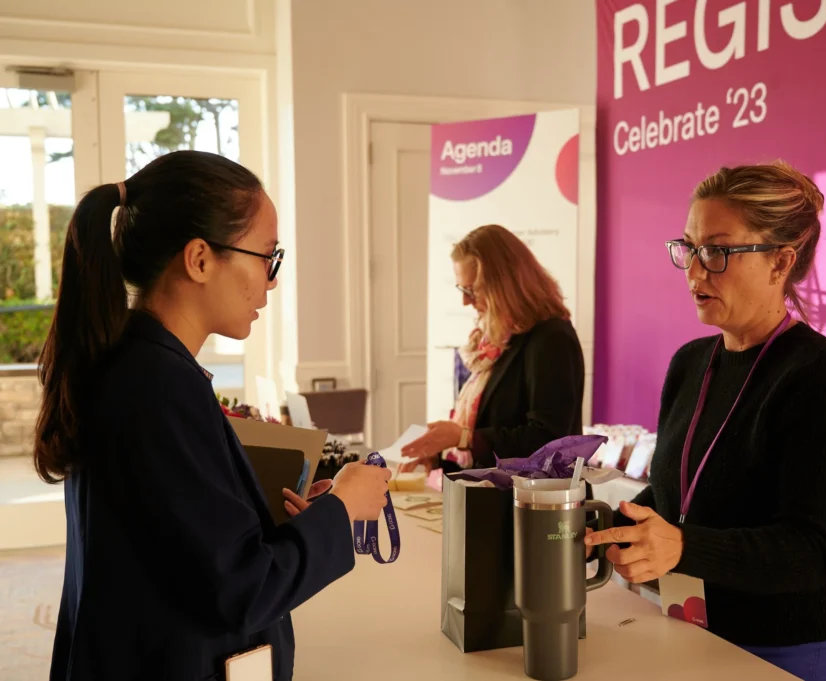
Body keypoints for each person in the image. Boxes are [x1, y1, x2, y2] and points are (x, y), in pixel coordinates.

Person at [35, 150, 391, 681]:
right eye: (266, 256)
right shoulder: (157, 386)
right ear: (199, 259)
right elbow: (240, 589)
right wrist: (341, 510)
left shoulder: (136, 366)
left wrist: (290, 520)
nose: (270, 282)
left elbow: (180, 543)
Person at [586, 162, 826, 681]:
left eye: (718, 251)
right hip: (686, 625)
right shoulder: (690, 363)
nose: (696, 272)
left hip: (784, 649)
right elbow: (678, 498)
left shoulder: (823, 378)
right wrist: (608, 527)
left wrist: (683, 546)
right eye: (690, 248)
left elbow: (812, 553)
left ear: (780, 262)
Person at [400, 224, 584, 470]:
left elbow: (548, 438)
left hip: (537, 503)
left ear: (504, 285)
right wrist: (438, 459)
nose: (465, 301)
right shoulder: (493, 342)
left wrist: (463, 437)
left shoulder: (551, 338)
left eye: (471, 290)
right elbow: (487, 447)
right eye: (461, 289)